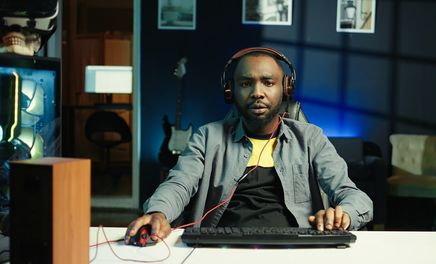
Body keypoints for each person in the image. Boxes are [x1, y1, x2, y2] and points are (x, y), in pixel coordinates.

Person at [125, 47, 373, 243]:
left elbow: (355, 197)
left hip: (297, 251)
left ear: (286, 89)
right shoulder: (207, 137)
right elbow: (179, 184)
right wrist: (158, 212)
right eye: (246, 83)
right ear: (230, 91)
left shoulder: (311, 139)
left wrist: (344, 214)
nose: (257, 92)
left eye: (268, 82)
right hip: (220, 251)